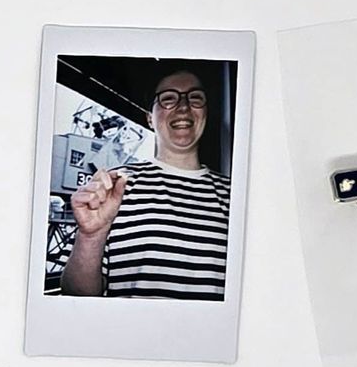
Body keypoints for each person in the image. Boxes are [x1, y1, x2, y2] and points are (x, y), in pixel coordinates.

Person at [60, 69, 231, 300]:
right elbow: (75, 294)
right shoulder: (115, 186)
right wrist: (91, 237)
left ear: (206, 112)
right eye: (168, 98)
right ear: (149, 118)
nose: (183, 106)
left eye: (195, 98)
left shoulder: (236, 196)